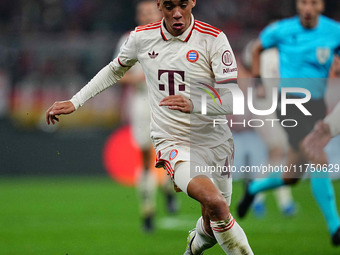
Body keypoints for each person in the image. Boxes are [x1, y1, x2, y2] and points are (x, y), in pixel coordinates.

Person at [46, 0, 254, 254]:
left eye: (182, 5)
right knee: (216, 203)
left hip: (215, 141)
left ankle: (194, 245)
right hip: (173, 140)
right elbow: (114, 71)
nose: (177, 13)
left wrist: (194, 102)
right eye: (169, 6)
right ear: (160, 6)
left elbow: (233, 98)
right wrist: (75, 101)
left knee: (214, 221)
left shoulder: (213, 39)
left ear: (192, 3)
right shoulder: (142, 38)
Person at [237, 0, 340, 246]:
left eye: (312, 3)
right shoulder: (282, 29)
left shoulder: (333, 31)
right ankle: (335, 227)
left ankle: (253, 188)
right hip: (290, 103)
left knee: (292, 175)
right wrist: (257, 80)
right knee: (318, 156)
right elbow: (257, 48)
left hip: (315, 104)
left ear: (321, 6)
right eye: (303, 2)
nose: (307, 8)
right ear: (297, 5)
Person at [114, 0, 177, 233]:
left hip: (167, 104)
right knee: (144, 157)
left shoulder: (171, 37)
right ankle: (148, 210)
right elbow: (117, 74)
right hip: (141, 102)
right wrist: (138, 79)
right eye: (142, 12)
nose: (145, 15)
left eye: (150, 12)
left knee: (169, 154)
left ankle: (169, 188)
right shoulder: (128, 40)